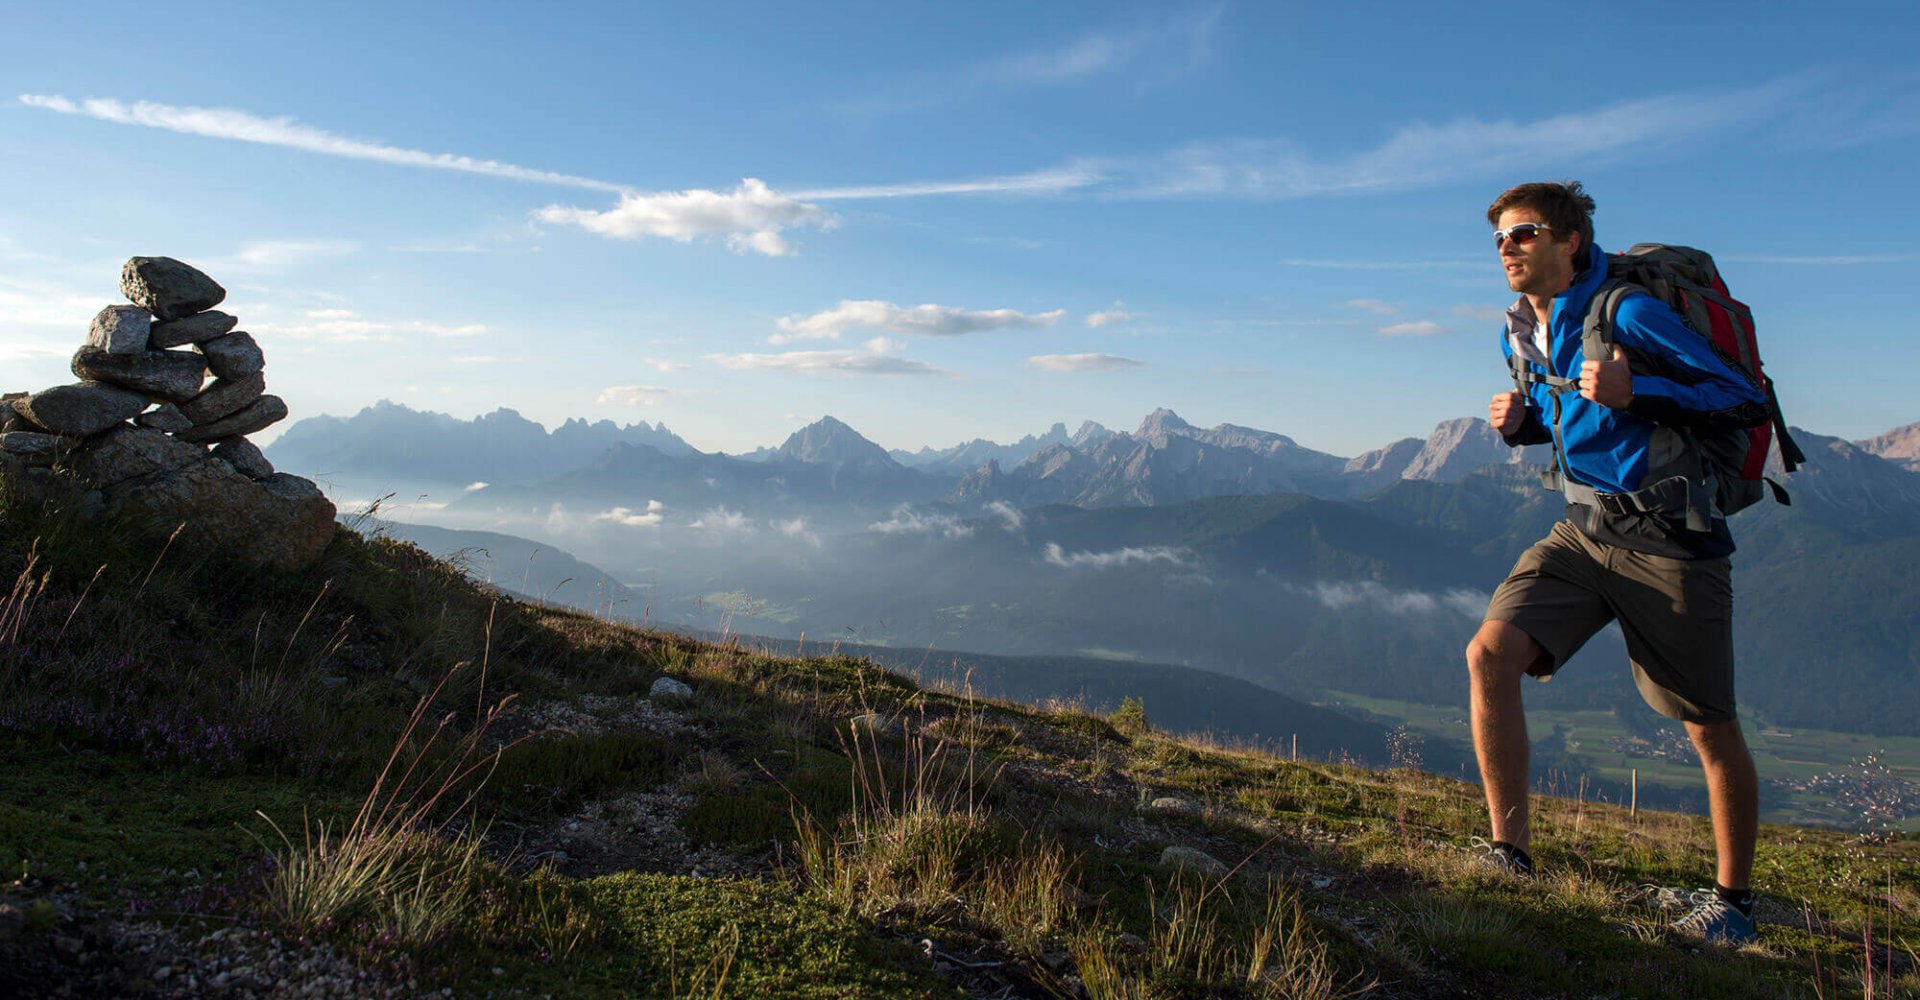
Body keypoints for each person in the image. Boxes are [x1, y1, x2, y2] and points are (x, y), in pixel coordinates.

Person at [1467, 181, 1770, 945]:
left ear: (1569, 240)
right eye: (1501, 237)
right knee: (1489, 654)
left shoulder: (1628, 311)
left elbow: (1742, 397)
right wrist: (1525, 424)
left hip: (1672, 540)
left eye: (1525, 233)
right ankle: (1510, 854)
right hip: (1586, 528)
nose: (1508, 248)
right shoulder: (1520, 331)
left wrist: (1644, 388)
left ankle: (1734, 905)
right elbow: (1575, 417)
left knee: (1708, 727)